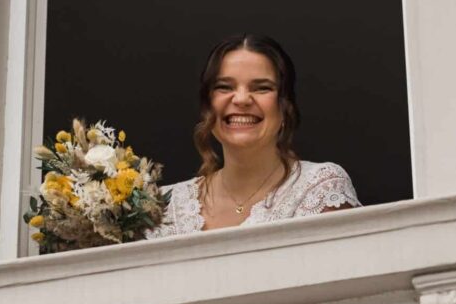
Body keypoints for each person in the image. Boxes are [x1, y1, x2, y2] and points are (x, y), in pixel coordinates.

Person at [149, 33, 359, 237]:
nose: (241, 99)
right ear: (207, 107)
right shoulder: (164, 206)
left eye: (261, 88)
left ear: (285, 106)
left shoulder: (320, 189)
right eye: (224, 87)